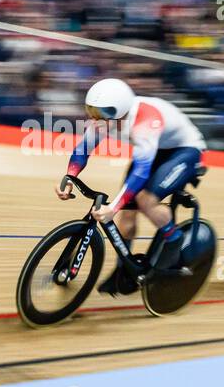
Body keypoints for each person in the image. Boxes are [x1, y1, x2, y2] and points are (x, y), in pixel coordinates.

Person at [56, 78, 207, 293]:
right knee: (126, 215)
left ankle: (174, 239)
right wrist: (70, 177)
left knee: (145, 200)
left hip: (185, 150)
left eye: (100, 113)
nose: (94, 118)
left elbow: (141, 172)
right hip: (155, 149)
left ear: (121, 112)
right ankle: (124, 271)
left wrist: (113, 207)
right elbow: (82, 150)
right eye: (91, 111)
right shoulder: (104, 119)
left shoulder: (145, 120)